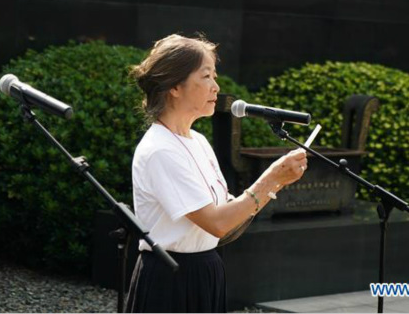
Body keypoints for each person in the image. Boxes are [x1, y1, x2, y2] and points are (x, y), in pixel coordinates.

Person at [125, 34, 308, 313]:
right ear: (175, 86)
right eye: (207, 76)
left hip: (206, 266)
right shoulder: (160, 150)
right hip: (172, 278)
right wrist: (271, 179)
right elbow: (216, 223)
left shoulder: (197, 140)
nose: (216, 87)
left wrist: (276, 183)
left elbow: (225, 213)